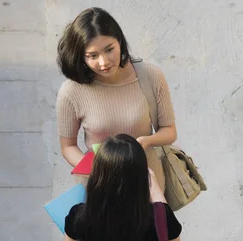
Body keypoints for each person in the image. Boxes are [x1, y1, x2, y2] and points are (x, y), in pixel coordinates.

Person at [56, 7, 177, 191]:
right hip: (100, 188)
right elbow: (68, 147)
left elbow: (169, 131)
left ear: (119, 41)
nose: (103, 62)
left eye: (109, 49)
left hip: (148, 184)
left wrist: (146, 142)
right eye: (92, 56)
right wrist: (98, 171)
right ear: (81, 56)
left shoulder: (150, 76)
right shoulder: (72, 90)